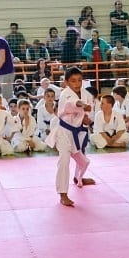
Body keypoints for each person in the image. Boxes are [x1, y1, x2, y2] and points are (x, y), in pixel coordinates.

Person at [45, 66, 95, 207]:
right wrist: (82, 105)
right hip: (64, 133)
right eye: (73, 81)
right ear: (67, 82)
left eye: (79, 80)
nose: (77, 83)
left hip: (78, 132)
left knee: (83, 161)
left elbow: (88, 110)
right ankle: (63, 194)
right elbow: (72, 104)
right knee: (64, 161)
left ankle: (78, 177)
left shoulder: (86, 94)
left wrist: (87, 118)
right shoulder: (65, 94)